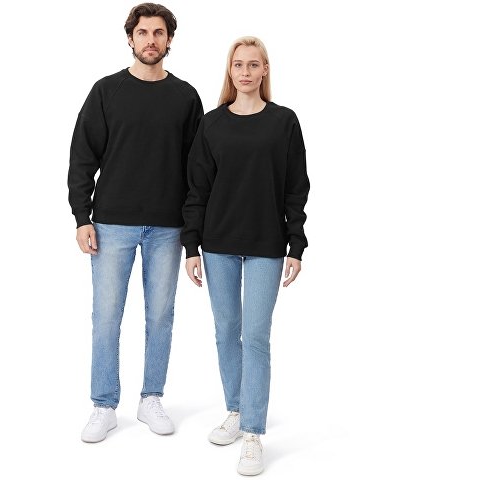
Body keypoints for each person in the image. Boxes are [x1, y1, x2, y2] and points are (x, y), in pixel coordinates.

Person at [68, 3, 203, 443]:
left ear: (169, 40)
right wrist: (82, 217)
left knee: (160, 316)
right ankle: (104, 405)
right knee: (106, 317)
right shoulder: (106, 91)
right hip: (111, 224)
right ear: (130, 38)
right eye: (143, 32)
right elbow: (82, 157)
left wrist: (193, 232)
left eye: (158, 33)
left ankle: (151, 398)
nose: (150, 40)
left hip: (167, 226)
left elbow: (197, 170)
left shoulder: (186, 97)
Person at [181, 36, 309, 475]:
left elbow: (296, 188)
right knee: (226, 332)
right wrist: (191, 246)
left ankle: (253, 433)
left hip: (266, 245)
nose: (246, 72)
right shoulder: (212, 124)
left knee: (255, 336)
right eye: (238, 65)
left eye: (254, 64)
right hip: (217, 243)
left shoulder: (284, 122)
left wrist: (296, 244)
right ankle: (235, 410)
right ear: (230, 71)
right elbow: (197, 189)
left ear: (265, 70)